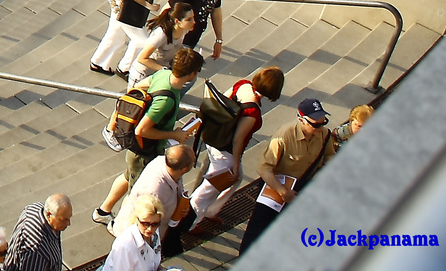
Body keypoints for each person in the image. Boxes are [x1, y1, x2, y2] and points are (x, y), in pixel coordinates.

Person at [92, 48, 204, 228]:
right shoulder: (165, 101)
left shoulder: (163, 74)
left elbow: (138, 88)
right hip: (145, 152)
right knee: (135, 193)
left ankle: (103, 211)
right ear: (192, 74)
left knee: (128, 176)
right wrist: (174, 134)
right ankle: (118, 227)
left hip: (137, 152)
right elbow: (142, 130)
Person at [188, 66, 285, 226]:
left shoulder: (243, 84)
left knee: (237, 177)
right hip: (225, 150)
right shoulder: (252, 112)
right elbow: (238, 140)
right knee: (208, 190)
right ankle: (189, 221)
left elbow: (219, 102)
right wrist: (234, 163)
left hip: (214, 138)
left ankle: (211, 210)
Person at [237, 99, 337, 253]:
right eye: (315, 124)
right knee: (257, 230)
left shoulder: (324, 135)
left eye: (324, 122)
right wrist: (283, 192)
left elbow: (329, 157)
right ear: (301, 120)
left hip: (300, 190)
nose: (320, 127)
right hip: (275, 188)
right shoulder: (284, 135)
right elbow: (264, 169)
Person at [101, 192, 165, 271]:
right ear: (136, 219)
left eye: (155, 224)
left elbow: (154, 265)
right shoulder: (125, 246)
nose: (150, 229)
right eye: (145, 223)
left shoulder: (155, 233)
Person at [5, 195, 72, 271]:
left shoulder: (36, 207)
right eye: (63, 219)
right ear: (48, 215)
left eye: (69, 218)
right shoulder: (38, 251)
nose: (68, 223)